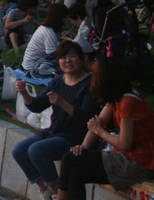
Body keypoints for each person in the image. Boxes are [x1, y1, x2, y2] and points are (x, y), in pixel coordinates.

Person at [57, 58, 154, 200]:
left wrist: (99, 132)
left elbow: (124, 144)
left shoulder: (128, 103)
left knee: (68, 158)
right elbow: (100, 122)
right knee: (76, 174)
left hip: (139, 162)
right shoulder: (116, 98)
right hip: (128, 157)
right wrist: (83, 147)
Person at [11, 41, 96, 200]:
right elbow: (37, 106)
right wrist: (24, 93)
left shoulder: (89, 84)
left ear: (82, 59)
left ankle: (59, 194)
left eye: (72, 56)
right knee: (19, 151)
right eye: (63, 57)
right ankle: (45, 191)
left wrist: (63, 103)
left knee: (37, 151)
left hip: (75, 137)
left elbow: (87, 117)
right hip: (54, 132)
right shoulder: (57, 82)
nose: (68, 61)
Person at [23, 3, 69, 78]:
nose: (67, 20)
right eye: (65, 17)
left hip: (30, 65)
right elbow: (52, 56)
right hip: (33, 67)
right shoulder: (49, 32)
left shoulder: (44, 28)